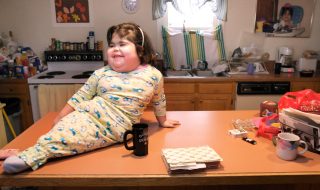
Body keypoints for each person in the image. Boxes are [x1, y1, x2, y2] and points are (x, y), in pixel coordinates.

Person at [2, 22, 180, 174]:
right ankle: (29, 153)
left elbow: (159, 99)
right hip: (86, 114)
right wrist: (60, 117)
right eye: (111, 45)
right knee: (62, 133)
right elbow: (80, 96)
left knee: (69, 141)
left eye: (122, 44)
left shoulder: (153, 75)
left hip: (116, 127)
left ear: (140, 50)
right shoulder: (101, 73)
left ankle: (30, 156)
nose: (115, 48)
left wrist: (162, 121)